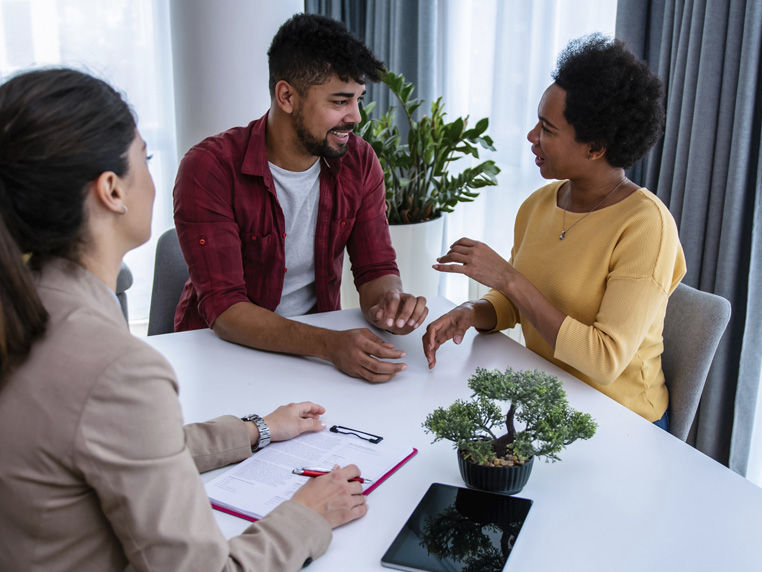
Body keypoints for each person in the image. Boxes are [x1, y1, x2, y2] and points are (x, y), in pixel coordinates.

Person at [0, 68, 367, 571]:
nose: (155, 175)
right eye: (145, 158)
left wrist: (257, 429)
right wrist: (306, 515)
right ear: (111, 190)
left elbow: (120, 443)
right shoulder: (117, 369)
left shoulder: (24, 312)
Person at [423, 35, 686, 429]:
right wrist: (472, 312)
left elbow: (604, 360)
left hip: (623, 422)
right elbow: (519, 304)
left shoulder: (646, 226)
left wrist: (508, 277)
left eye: (546, 129)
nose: (532, 137)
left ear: (595, 147)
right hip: (545, 399)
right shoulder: (540, 204)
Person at [173, 14, 427, 383]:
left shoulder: (359, 161)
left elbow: (376, 270)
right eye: (340, 101)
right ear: (287, 96)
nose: (355, 116)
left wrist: (390, 304)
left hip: (313, 357)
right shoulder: (210, 167)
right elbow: (225, 308)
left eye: (358, 100)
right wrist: (328, 345)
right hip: (220, 355)